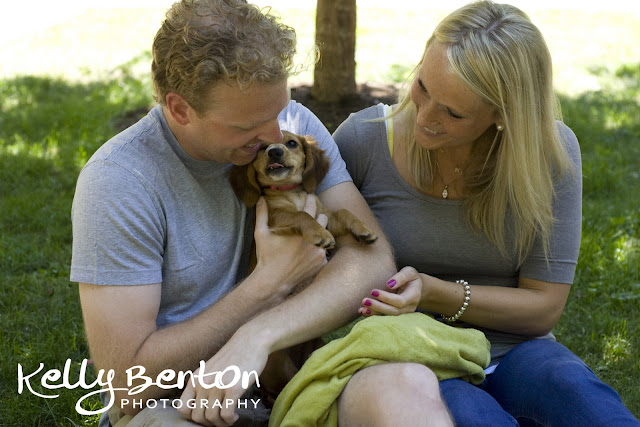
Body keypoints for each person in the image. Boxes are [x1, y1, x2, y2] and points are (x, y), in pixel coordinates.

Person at [69, 0, 426, 426]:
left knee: (404, 389)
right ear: (180, 109)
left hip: (295, 376)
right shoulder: (120, 181)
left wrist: (259, 335)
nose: (273, 135)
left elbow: (371, 260)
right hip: (182, 404)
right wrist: (267, 285)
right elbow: (128, 385)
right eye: (246, 127)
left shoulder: (292, 125)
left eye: (277, 112)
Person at [333, 1, 640, 426]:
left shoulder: (550, 154)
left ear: (503, 115)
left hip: (519, 350)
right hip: (413, 354)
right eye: (423, 86)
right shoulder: (363, 141)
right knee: (472, 415)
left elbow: (543, 307)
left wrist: (435, 292)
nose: (424, 116)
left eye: (453, 112)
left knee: (580, 396)